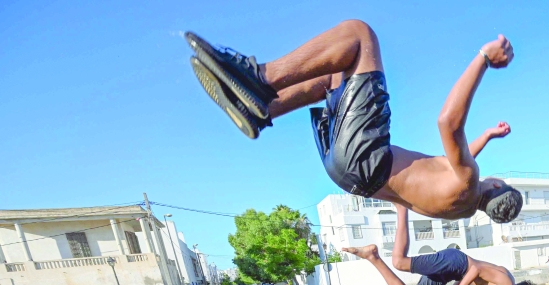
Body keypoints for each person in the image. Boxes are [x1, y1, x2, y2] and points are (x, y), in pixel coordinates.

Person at [184, 23, 524, 225]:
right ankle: (262, 111)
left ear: (495, 187)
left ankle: (259, 78)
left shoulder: (469, 180)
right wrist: (488, 136)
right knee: (334, 74)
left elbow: (448, 123)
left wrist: (482, 59)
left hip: (368, 158)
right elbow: (456, 158)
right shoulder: (460, 209)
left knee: (360, 37)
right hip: (347, 172)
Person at [343, 206, 537, 285]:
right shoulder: (507, 283)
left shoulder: (504, 284)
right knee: (399, 261)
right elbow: (474, 269)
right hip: (455, 262)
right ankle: (402, 207)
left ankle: (372, 257)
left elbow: (466, 278)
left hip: (453, 271)